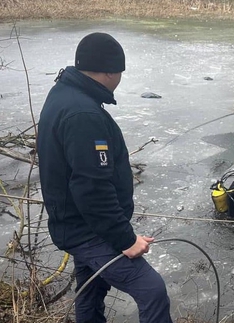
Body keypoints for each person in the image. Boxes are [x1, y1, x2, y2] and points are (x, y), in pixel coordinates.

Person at [37, 32, 173, 323]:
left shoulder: (64, 94)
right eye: (120, 71)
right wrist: (125, 239)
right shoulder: (84, 114)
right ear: (111, 71)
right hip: (88, 231)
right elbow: (92, 188)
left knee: (91, 289)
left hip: (75, 224)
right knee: (151, 290)